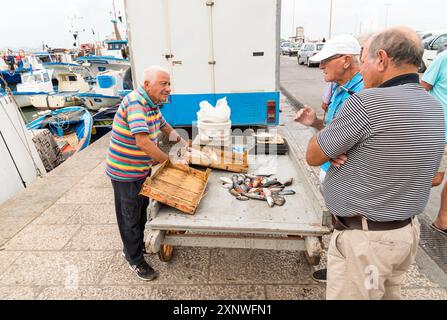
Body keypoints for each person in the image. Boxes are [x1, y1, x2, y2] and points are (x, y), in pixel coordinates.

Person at [305, 27, 445, 300]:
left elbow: (313, 155)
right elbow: (434, 177)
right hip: (404, 235)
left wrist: (335, 143)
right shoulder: (433, 107)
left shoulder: (367, 103)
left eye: (364, 59)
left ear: (381, 59)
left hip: (366, 243)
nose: (361, 69)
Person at [295, 34, 364, 283]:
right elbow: (335, 130)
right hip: (331, 169)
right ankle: (339, 267)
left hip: (349, 176)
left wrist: (331, 148)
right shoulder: (338, 87)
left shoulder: (364, 93)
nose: (321, 66)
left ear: (346, 61)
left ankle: (348, 276)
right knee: (339, 221)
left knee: (352, 226)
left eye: (326, 61)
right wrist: (313, 122)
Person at [106, 66, 185, 281]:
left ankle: (137, 245)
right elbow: (142, 142)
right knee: (129, 215)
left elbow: (163, 125)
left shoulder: (151, 104)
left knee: (141, 211)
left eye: (169, 84)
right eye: (164, 83)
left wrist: (183, 143)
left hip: (140, 169)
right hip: (125, 172)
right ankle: (133, 258)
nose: (168, 88)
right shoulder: (135, 103)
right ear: (147, 84)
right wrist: (169, 163)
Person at [421, 50, 447, 236]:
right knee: (435, 179)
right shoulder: (443, 58)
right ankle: (398, 208)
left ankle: (442, 220)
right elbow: (423, 87)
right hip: (440, 130)